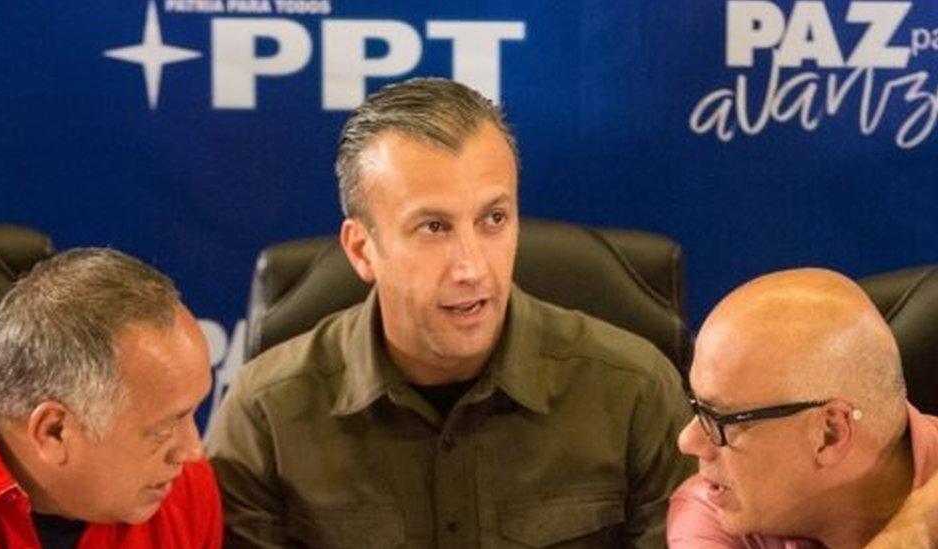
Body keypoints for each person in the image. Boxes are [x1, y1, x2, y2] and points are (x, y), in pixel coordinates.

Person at [208, 77, 692, 547]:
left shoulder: (637, 392)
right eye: (434, 227)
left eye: (494, 219)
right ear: (361, 250)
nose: (472, 267)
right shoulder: (264, 414)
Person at [0, 248, 222, 548]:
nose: (193, 451)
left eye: (194, 412)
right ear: (54, 431)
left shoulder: (185, 489)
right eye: (163, 429)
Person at [668, 268, 938, 548]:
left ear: (830, 434)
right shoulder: (711, 513)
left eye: (720, 419)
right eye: (697, 407)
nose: (687, 441)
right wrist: (912, 534)